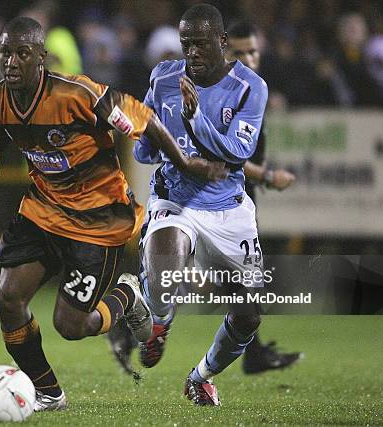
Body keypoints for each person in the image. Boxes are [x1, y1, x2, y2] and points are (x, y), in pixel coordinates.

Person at [0, 16, 226, 412]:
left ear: (41, 58)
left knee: (70, 326)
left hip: (97, 220)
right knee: (7, 299)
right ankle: (48, 392)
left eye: (22, 53)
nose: (11, 62)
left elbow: (144, 119)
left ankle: (128, 294)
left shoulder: (77, 94)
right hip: (44, 211)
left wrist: (185, 162)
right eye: (5, 52)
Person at [108, 4, 270, 406]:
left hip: (229, 207)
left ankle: (201, 377)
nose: (192, 52)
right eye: (186, 44)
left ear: (222, 42)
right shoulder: (163, 77)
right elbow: (146, 148)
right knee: (166, 267)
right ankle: (158, 321)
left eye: (201, 43)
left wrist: (195, 121)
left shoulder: (250, 86)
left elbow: (237, 151)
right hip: (174, 198)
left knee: (249, 312)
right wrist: (140, 134)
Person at [224, 21, 303, 375]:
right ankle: (125, 325)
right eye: (239, 52)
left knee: (244, 282)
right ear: (225, 52)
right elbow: (228, 156)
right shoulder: (226, 91)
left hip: (241, 195)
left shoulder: (254, 89)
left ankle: (252, 352)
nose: (248, 58)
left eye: (252, 51)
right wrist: (269, 176)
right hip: (221, 198)